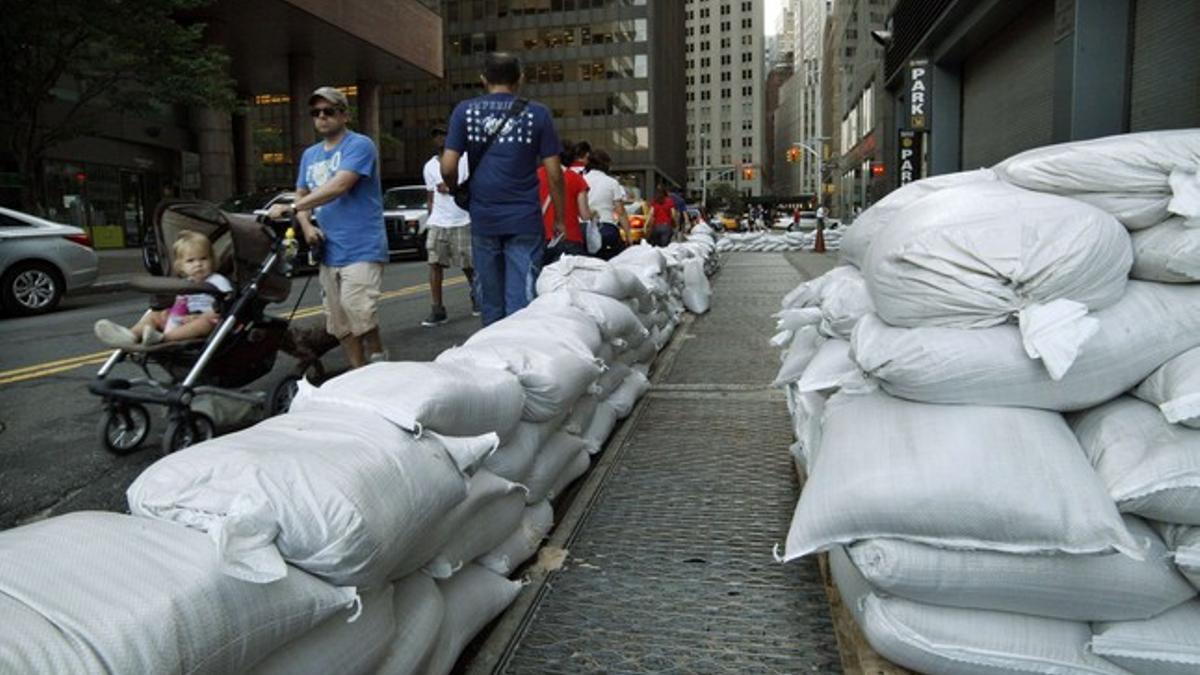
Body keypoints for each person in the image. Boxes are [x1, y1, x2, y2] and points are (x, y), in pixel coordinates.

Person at [441, 52, 565, 326]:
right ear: (520, 79)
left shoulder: (465, 111)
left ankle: (494, 357)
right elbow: (555, 173)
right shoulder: (538, 113)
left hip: (484, 216)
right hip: (525, 218)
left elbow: (448, 166)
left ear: (483, 79)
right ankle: (520, 354)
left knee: (490, 297)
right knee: (521, 297)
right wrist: (558, 217)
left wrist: (455, 189)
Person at [268, 86, 387, 368]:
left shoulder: (360, 145)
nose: (321, 117)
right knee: (339, 322)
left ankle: (379, 357)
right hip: (328, 248)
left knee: (359, 309)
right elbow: (302, 193)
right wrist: (306, 226)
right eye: (316, 113)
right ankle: (358, 373)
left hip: (362, 245)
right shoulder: (310, 155)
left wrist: (295, 208)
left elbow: (341, 185)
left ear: (344, 115)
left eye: (329, 111)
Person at [94, 230, 233, 347]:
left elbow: (227, 304)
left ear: (212, 260)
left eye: (203, 259)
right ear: (180, 266)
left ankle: (163, 338)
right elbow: (180, 307)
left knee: (205, 322)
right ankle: (131, 335)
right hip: (184, 319)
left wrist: (199, 316)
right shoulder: (185, 284)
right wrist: (171, 315)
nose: (198, 264)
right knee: (154, 315)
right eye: (191, 261)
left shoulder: (217, 281)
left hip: (205, 319)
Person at [421, 126, 477, 327]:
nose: (439, 138)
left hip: (462, 218)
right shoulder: (429, 166)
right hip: (438, 220)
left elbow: (474, 186)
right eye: (435, 135)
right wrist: (430, 218)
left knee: (468, 265)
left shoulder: (464, 160)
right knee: (434, 264)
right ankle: (437, 308)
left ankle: (477, 295)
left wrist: (452, 187)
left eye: (443, 134)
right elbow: (430, 196)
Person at [539, 141, 593, 264]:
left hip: (540, 238)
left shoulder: (535, 176)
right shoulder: (576, 179)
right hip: (570, 238)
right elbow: (584, 215)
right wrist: (594, 214)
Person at [583, 148, 631, 260]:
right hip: (606, 227)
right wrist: (628, 235)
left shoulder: (581, 180)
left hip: (585, 229)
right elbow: (621, 212)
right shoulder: (612, 183)